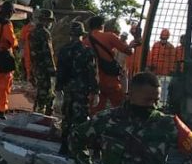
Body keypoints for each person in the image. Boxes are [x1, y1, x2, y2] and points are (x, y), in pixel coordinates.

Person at [56, 21, 99, 155]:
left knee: (67, 117)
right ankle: (77, 148)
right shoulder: (87, 51)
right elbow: (92, 73)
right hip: (82, 89)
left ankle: (63, 146)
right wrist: (95, 91)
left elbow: (60, 71)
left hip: (68, 88)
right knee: (80, 118)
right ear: (82, 35)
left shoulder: (63, 50)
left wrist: (58, 89)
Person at [85, 15, 137, 114]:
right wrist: (133, 46)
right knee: (122, 109)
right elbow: (128, 51)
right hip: (111, 81)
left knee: (95, 112)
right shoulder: (109, 36)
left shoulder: (85, 41)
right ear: (102, 26)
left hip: (94, 82)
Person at [29, 9, 57, 115]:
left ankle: (37, 113)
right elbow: (48, 53)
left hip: (36, 67)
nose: (50, 24)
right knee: (47, 93)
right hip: (44, 68)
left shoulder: (32, 32)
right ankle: (45, 116)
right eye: (49, 21)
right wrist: (53, 70)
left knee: (40, 91)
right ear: (45, 21)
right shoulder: (45, 33)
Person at [19, 10, 36, 83]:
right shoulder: (29, 27)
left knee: (29, 68)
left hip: (30, 52)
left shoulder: (27, 27)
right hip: (28, 52)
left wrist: (21, 49)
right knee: (27, 68)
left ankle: (28, 81)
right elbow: (21, 40)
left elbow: (21, 40)